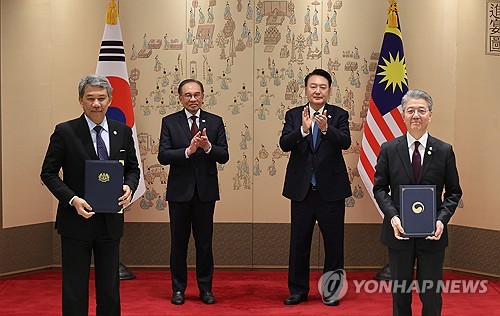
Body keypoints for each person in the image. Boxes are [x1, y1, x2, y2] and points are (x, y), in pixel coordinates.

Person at [40, 74, 140, 316]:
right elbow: (48, 173)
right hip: (76, 222)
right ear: (81, 101)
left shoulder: (123, 131)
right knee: (74, 287)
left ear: (110, 100)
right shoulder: (65, 132)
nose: (96, 103)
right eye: (90, 98)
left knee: (109, 287)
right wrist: (72, 199)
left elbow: (133, 169)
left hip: (110, 223)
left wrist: (129, 186)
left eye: (101, 98)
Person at [373, 89, 462, 316]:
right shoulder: (389, 149)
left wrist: (442, 220)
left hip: (432, 235)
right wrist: (393, 216)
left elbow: (453, 193)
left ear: (430, 115)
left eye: (421, 111)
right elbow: (380, 188)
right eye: (410, 110)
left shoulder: (444, 151)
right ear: (403, 114)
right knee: (400, 294)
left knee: (431, 294)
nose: (416, 115)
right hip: (399, 233)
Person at [280, 68, 352, 306]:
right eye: (313, 86)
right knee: (299, 244)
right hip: (301, 191)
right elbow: (284, 144)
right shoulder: (293, 115)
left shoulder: (339, 114)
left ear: (329, 90)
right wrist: (302, 129)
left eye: (322, 87)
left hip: (331, 191)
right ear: (306, 89)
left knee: (334, 245)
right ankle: (298, 291)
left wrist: (324, 129)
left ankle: (331, 291)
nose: (318, 91)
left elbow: (345, 142)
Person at [158, 79, 229, 305]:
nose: (193, 99)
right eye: (187, 95)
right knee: (178, 244)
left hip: (205, 193)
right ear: (180, 98)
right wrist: (188, 151)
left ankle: (205, 289)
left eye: (197, 94)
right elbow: (163, 155)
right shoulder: (169, 122)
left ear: (203, 96)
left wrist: (208, 148)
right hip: (179, 193)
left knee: (205, 244)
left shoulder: (215, 122)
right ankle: (178, 289)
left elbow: (224, 155)